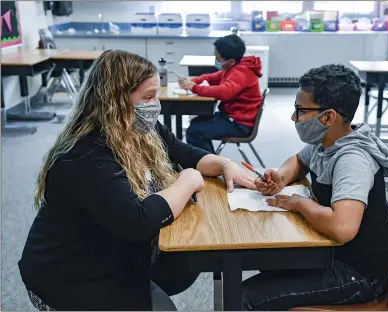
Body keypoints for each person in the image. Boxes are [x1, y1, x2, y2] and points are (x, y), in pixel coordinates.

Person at [18, 50, 256, 311]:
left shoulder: (139, 127)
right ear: (115, 101)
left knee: (181, 265)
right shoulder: (85, 154)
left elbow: (184, 153)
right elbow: (137, 221)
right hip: (71, 273)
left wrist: (224, 164)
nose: (156, 105)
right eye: (148, 97)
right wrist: (186, 183)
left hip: (106, 248)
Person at [243, 64, 388, 310]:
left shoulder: (352, 160)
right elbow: (299, 161)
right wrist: (281, 176)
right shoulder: (325, 141)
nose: (294, 117)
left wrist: (300, 203)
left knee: (245, 298)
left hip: (358, 274)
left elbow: (342, 227)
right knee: (265, 257)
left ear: (328, 117)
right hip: (329, 252)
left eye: (300, 111)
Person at [179, 34, 263, 153]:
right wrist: (195, 80)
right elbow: (214, 76)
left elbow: (224, 92)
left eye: (218, 59)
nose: (216, 61)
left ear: (231, 61)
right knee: (195, 124)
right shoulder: (236, 66)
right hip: (233, 117)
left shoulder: (241, 72)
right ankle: (209, 160)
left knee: (195, 131)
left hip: (239, 124)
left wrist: (195, 88)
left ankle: (210, 166)